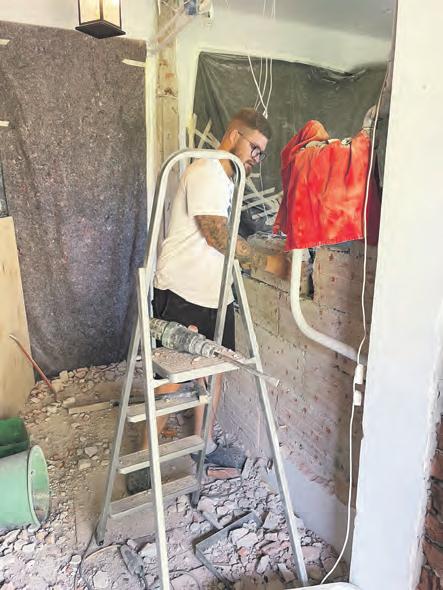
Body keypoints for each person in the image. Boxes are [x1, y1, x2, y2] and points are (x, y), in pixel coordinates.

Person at [127, 108, 288, 492]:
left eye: (262, 152)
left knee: (215, 372)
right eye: (254, 148)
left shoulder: (227, 180)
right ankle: (144, 461)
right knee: (171, 377)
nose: (257, 158)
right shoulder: (207, 171)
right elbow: (216, 235)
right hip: (182, 291)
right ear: (233, 136)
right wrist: (270, 263)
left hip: (214, 294)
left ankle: (204, 445)